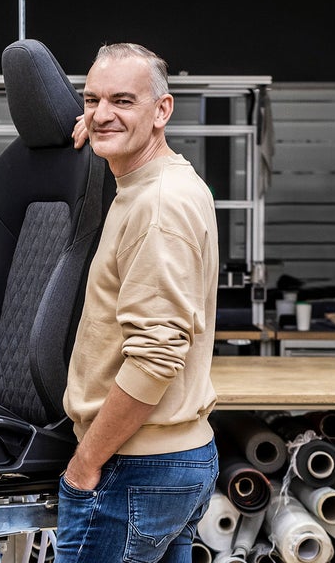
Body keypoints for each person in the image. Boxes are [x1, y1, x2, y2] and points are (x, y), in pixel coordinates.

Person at [56, 43, 220, 563]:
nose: (102, 113)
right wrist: (110, 126)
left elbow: (155, 357)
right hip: (163, 460)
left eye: (123, 100)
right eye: (92, 100)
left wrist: (86, 462)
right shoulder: (155, 181)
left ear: (162, 110)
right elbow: (114, 125)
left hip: (133, 465)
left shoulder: (159, 206)